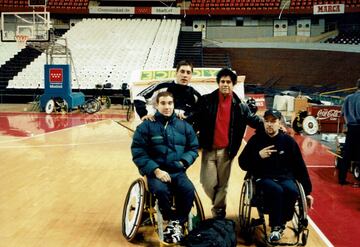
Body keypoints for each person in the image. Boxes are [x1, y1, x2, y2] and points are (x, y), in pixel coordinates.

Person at [193, 68, 263, 218]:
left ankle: (219, 211)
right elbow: (195, 122)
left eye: (228, 82)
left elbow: (254, 120)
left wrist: (273, 125)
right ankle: (217, 203)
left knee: (222, 185)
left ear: (233, 84)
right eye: (222, 81)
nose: (225, 84)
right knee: (207, 183)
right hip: (209, 148)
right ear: (218, 83)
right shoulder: (206, 101)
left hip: (227, 151)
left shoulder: (241, 106)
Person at [131, 91, 199, 244]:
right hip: (156, 172)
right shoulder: (146, 126)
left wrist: (183, 163)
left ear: (174, 104)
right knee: (161, 191)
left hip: (177, 170)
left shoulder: (184, 126)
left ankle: (177, 223)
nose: (167, 107)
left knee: (188, 190)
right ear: (156, 105)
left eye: (170, 103)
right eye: (163, 103)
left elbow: (193, 148)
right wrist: (156, 170)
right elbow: (138, 152)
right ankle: (169, 218)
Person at [238, 109, 314, 242]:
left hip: (284, 177)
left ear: (280, 123)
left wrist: (307, 192)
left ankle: (281, 224)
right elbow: (242, 163)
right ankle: (275, 227)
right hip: (263, 177)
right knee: (276, 190)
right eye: (266, 121)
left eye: (273, 121)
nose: (269, 124)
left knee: (291, 190)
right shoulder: (256, 140)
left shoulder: (289, 142)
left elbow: (300, 167)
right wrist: (258, 156)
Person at [134, 60, 201, 122]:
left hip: (182, 130)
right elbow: (139, 97)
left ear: (191, 75)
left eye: (188, 73)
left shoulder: (195, 94)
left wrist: (188, 115)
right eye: (182, 71)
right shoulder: (162, 86)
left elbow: (198, 111)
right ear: (176, 73)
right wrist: (143, 114)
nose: (185, 75)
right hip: (160, 126)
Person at [338, 78, 360, 185]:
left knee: (346, 154)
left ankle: (341, 179)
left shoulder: (348, 98)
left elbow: (342, 114)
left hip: (350, 128)